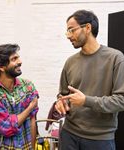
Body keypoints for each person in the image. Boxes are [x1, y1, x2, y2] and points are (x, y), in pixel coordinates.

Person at [55, 9, 124, 150]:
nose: (68, 35)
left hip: (100, 140)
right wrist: (61, 102)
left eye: (71, 30)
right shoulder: (70, 62)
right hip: (69, 135)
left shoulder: (115, 58)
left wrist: (86, 101)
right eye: (67, 31)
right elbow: (63, 94)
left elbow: (121, 101)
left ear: (87, 28)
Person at [0, 44, 39, 150]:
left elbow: (32, 120)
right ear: (1, 67)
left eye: (18, 57)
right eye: (14, 59)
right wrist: (30, 107)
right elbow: (7, 127)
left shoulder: (27, 86)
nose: (20, 61)